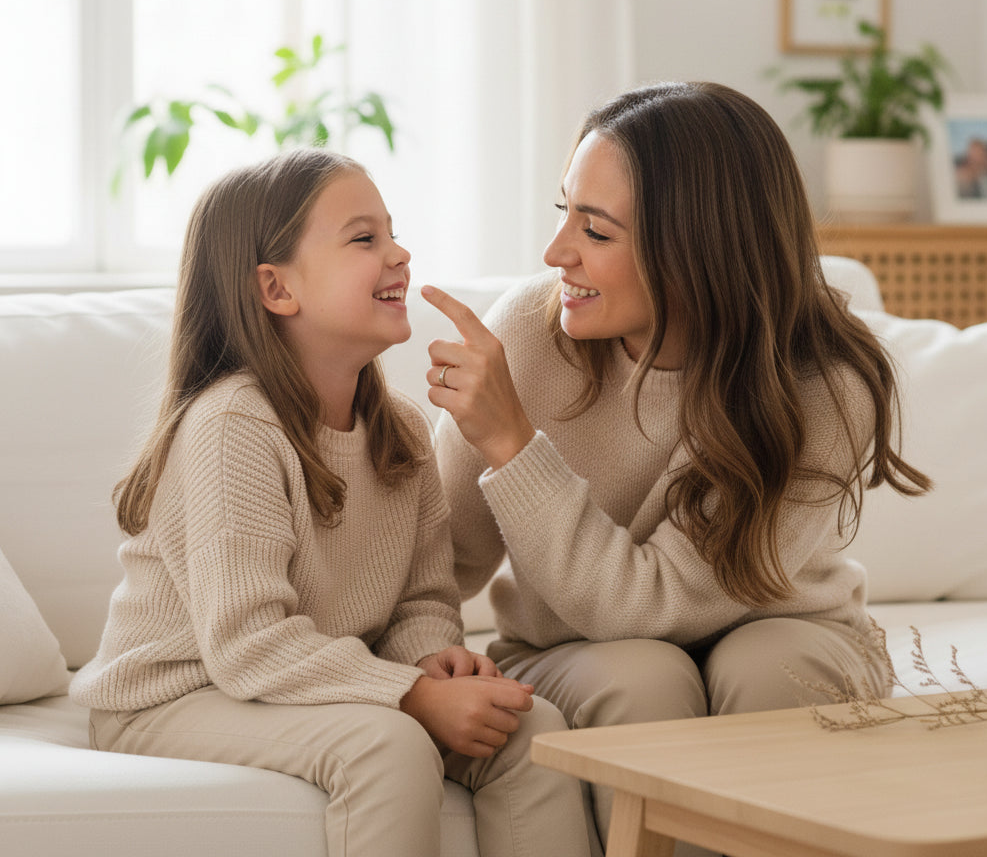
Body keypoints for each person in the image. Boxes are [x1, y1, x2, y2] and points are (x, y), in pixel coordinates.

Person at [422, 82, 932, 849]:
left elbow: (652, 602)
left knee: (772, 670)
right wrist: (420, 668)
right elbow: (434, 560)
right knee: (641, 679)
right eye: (563, 212)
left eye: (594, 230)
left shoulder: (821, 380)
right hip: (580, 651)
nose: (557, 252)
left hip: (787, 628)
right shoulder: (531, 331)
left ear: (697, 246)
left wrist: (514, 447)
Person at [70, 148, 593, 857]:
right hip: (174, 695)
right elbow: (249, 643)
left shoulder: (401, 428)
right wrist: (410, 697)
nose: (399, 253)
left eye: (393, 233)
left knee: (532, 733)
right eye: (363, 238)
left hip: (284, 679)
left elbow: (422, 601)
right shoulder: (233, 426)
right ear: (276, 288)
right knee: (389, 744)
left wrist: (436, 663)